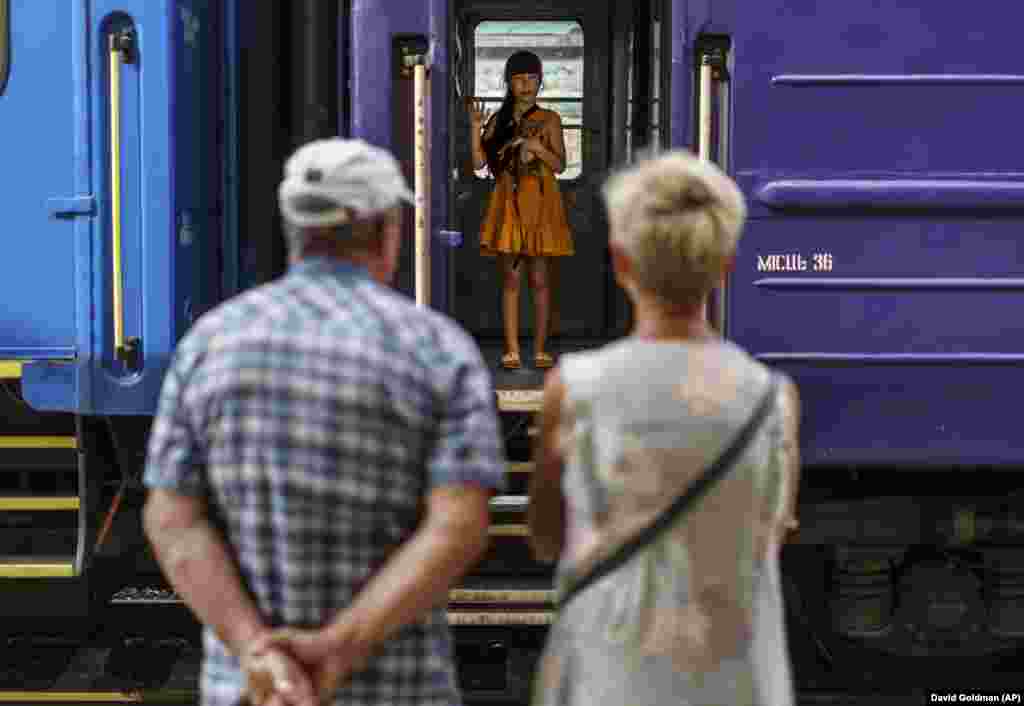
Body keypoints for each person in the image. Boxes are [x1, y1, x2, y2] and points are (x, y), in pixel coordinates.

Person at [142, 138, 507, 706]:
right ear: (385, 229)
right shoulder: (438, 350)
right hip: (399, 691)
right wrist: (340, 646)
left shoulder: (210, 343)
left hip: (253, 691)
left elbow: (172, 520)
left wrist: (255, 651)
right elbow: (459, 528)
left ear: (295, 228)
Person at [526, 150, 801, 706]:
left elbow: (546, 537)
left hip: (612, 674)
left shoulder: (575, 388)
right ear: (725, 269)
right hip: (740, 677)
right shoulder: (775, 400)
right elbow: (772, 533)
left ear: (620, 263)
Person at [468, 50, 574, 370]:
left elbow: (560, 165)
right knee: (511, 281)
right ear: (509, 83)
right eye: (519, 79)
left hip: (541, 204)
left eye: (531, 79)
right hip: (509, 204)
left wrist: (538, 148)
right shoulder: (498, 120)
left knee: (541, 280)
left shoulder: (551, 119)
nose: (525, 85)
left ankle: (541, 349)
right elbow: (478, 164)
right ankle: (512, 349)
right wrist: (475, 129)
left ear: (540, 82)